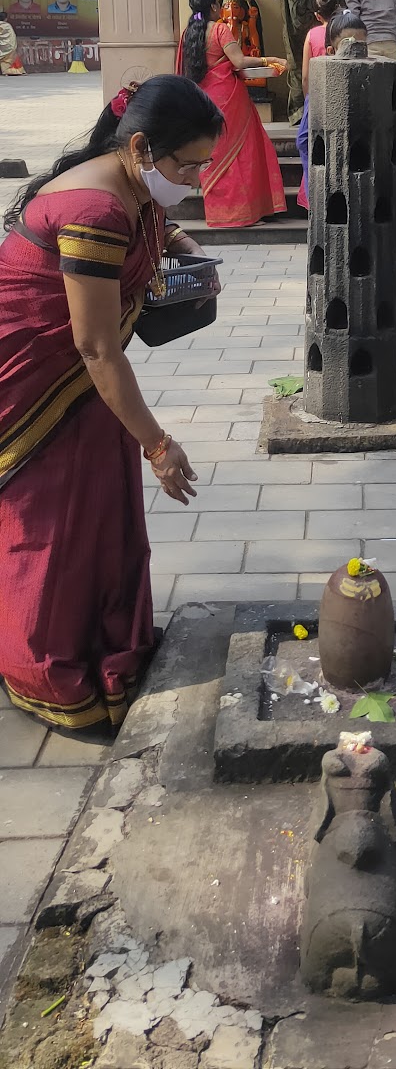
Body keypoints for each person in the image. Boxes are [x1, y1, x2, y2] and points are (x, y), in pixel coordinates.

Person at [0, 75, 223, 731]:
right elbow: (97, 348)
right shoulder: (93, 209)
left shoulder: (126, 176)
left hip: (82, 380)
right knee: (50, 530)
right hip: (34, 382)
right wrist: (157, 443)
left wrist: (187, 250)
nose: (195, 179)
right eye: (189, 165)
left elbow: (159, 221)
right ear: (143, 150)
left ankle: (101, 637)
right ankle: (45, 666)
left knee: (99, 512)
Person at [177, 0, 287, 229]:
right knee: (242, 155)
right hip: (229, 99)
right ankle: (243, 215)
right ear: (214, 7)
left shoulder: (188, 34)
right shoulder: (219, 29)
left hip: (203, 100)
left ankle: (221, 214)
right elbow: (239, 61)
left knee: (213, 156)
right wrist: (271, 60)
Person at [296, 8, 368, 210]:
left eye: (361, 45)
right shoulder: (320, 89)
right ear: (330, 51)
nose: (356, 52)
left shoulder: (372, 75)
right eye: (349, 46)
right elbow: (303, 141)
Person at [0, 8, 24, 74]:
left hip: (1, 46)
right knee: (10, 57)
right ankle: (11, 71)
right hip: (8, 45)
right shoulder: (7, 25)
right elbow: (12, 37)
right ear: (5, 18)